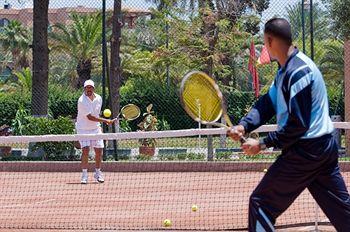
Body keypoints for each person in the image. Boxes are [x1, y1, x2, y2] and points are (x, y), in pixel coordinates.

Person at [228, 18, 350, 231]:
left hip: (306, 151)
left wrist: (263, 144)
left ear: (270, 40)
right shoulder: (285, 71)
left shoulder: (298, 71)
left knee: (261, 204)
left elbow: (298, 125)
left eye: (264, 43)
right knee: (344, 216)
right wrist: (244, 126)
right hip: (322, 150)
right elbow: (268, 103)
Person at [76, 80, 115, 184]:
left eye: (90, 87)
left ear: (93, 88)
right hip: (83, 129)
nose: (88, 89)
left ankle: (97, 173)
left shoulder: (99, 98)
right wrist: (105, 121)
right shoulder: (81, 101)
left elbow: (96, 114)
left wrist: (100, 126)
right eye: (86, 88)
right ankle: (84, 175)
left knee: (99, 151)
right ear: (84, 88)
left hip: (95, 128)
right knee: (85, 150)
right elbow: (90, 117)